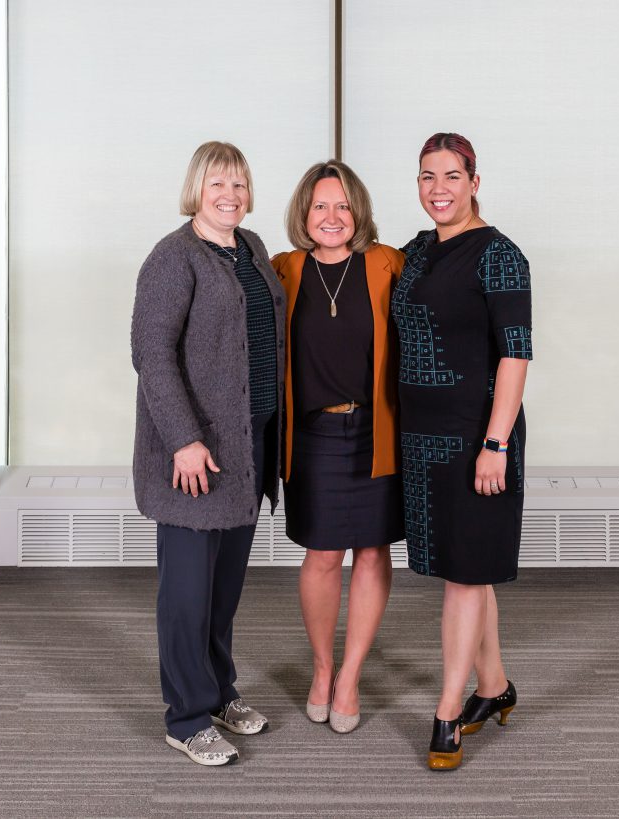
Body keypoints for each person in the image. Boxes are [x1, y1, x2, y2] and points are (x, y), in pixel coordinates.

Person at [130, 141, 286, 766]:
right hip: (194, 458)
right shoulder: (173, 258)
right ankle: (187, 716)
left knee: (222, 593)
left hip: (246, 452)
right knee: (188, 596)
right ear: (196, 189)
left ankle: (219, 692)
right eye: (219, 184)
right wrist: (184, 440)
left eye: (241, 185)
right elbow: (152, 354)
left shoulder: (251, 249)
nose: (231, 196)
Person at [392, 133, 532, 770]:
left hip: (479, 436)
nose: (438, 189)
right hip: (421, 437)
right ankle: (494, 687)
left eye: (451, 176)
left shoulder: (500, 255)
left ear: (475, 182)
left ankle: (448, 710)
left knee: (466, 575)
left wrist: (495, 443)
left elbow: (514, 353)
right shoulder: (416, 251)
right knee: (465, 568)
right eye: (426, 176)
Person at [272, 160, 404, 733]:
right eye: (321, 205)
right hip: (314, 435)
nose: (332, 216)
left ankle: (351, 675)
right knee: (323, 556)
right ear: (304, 212)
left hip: (377, 432)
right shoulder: (282, 270)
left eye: (343, 205)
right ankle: (322, 670)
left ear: (359, 212)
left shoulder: (386, 262)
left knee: (373, 552)